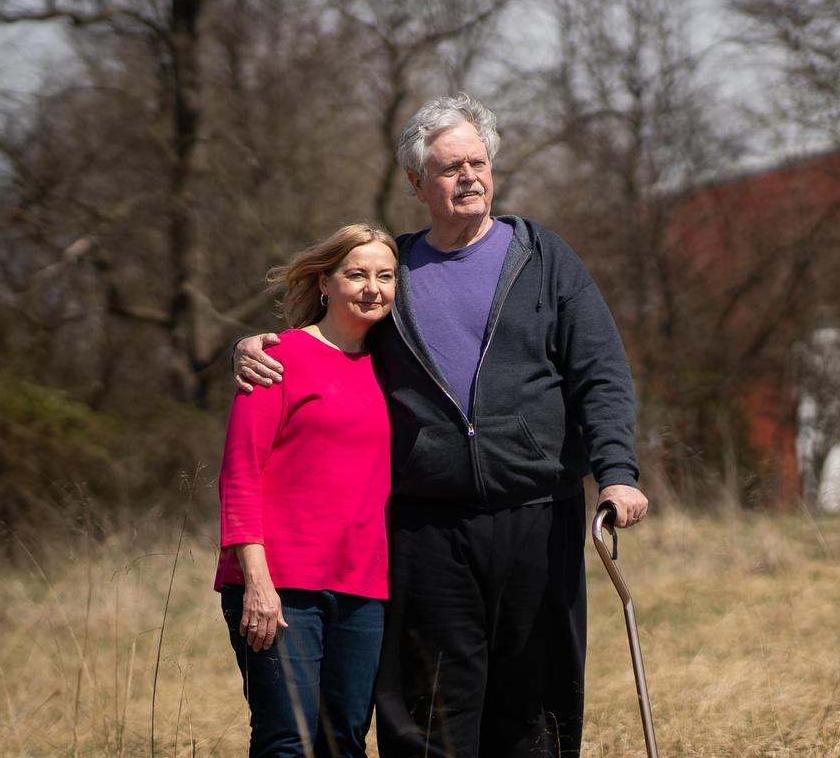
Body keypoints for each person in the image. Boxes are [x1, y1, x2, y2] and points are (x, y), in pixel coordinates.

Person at [234, 93, 649, 758]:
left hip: (537, 511)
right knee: (431, 711)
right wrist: (259, 346)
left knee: (533, 702)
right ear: (416, 183)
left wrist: (618, 473)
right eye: (451, 167)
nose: (469, 178)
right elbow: (328, 344)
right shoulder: (392, 274)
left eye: (478, 163)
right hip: (426, 522)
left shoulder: (543, 257)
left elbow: (599, 370)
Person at [216, 223, 398, 758]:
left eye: (385, 277)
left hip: (364, 587)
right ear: (325, 281)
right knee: (287, 740)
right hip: (280, 584)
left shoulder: (391, 367)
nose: (372, 288)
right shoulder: (279, 358)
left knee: (344, 740)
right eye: (356, 274)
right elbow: (239, 474)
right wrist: (256, 582)